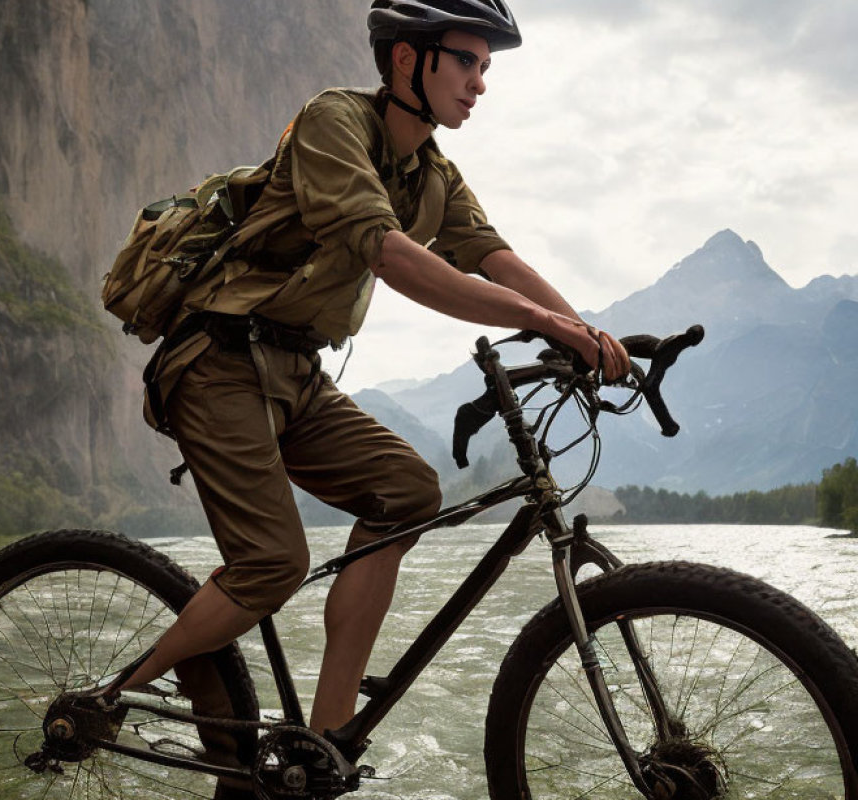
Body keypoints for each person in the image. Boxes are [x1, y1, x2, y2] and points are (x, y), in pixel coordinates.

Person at [120, 0, 630, 781]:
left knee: (405, 491)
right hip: (218, 360)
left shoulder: (432, 173)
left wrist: (588, 334)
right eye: (467, 60)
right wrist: (543, 324)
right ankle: (110, 697)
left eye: (486, 67)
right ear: (407, 60)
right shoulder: (334, 123)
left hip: (295, 371)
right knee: (272, 563)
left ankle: (322, 746)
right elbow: (388, 254)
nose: (480, 83)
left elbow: (493, 256)